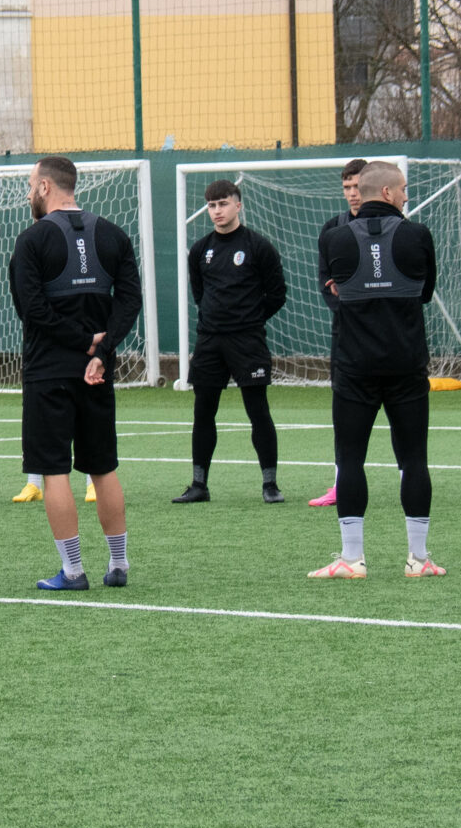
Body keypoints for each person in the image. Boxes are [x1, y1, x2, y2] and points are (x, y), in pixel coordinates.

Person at [9, 156, 143, 591]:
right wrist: (101, 349)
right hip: (97, 371)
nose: (30, 191)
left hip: (50, 370)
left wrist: (83, 342)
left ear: (45, 186)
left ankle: (72, 571)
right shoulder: (114, 234)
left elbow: (31, 310)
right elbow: (130, 302)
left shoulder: (32, 239)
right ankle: (119, 566)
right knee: (103, 467)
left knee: (54, 471)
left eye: (32, 184)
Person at [309, 160, 444, 578]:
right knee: (414, 460)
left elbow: (333, 288)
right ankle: (418, 560)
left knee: (350, 460)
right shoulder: (418, 235)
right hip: (406, 365)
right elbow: (425, 294)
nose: (406, 195)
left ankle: (352, 560)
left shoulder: (333, 238)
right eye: (402, 189)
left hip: (353, 366)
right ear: (387, 193)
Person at [173, 178, 287, 505]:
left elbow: (277, 294)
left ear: (238, 205)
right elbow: (200, 294)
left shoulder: (258, 246)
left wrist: (249, 318)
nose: (217, 211)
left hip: (248, 341)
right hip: (210, 343)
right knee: (203, 413)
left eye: (223, 204)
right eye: (211, 205)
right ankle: (199, 485)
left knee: (258, 411)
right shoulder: (200, 250)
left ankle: (270, 485)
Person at [305, 158, 368, 511]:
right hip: (346, 337)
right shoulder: (332, 229)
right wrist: (351, 315)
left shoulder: (395, 226)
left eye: (357, 186)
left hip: (387, 339)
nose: (353, 194)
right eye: (347, 188)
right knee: (343, 413)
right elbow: (326, 284)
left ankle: (410, 478)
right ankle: (341, 483)